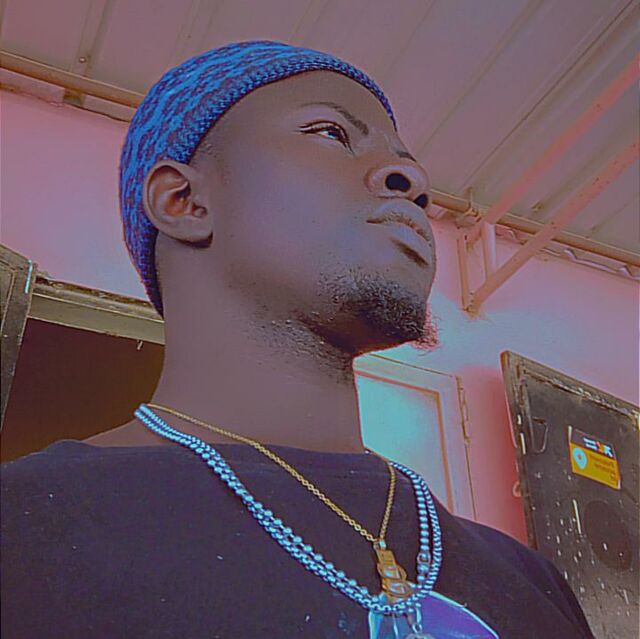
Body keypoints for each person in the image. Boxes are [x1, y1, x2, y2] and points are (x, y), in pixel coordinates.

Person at [1, 41, 594, 638]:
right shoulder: (25, 530)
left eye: (409, 165)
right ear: (184, 201)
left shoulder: (532, 581)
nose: (412, 182)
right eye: (332, 133)